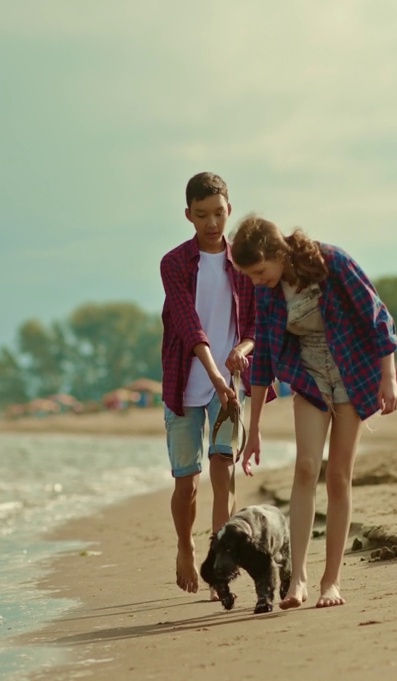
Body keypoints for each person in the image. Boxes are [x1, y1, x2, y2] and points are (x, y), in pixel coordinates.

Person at [231, 213, 397, 609]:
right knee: (306, 469)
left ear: (277, 252)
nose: (257, 281)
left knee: (339, 477)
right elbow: (266, 360)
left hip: (351, 373)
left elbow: (379, 317)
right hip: (307, 377)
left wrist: (388, 377)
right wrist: (253, 429)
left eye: (259, 271)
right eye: (250, 276)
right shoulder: (268, 292)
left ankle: (331, 582)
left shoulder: (332, 262)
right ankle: (299, 580)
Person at [159, 172, 260, 597]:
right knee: (188, 484)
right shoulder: (175, 263)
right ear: (188, 216)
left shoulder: (245, 261)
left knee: (224, 474)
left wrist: (243, 349)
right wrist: (215, 375)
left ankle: (220, 560)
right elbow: (188, 324)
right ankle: (185, 545)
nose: (212, 223)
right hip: (186, 384)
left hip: (231, 386)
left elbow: (255, 323)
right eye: (202, 215)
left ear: (229, 210)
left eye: (218, 213)